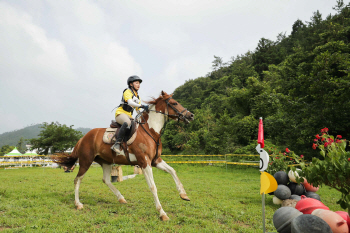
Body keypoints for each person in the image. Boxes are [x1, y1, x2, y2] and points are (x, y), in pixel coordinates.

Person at [111, 75, 149, 154]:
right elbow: (130, 102)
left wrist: (147, 112)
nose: (139, 85)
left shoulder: (138, 97)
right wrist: (142, 106)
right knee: (127, 122)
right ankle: (117, 144)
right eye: (136, 83)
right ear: (131, 84)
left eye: (139, 83)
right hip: (120, 113)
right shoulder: (127, 91)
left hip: (129, 115)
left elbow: (138, 111)